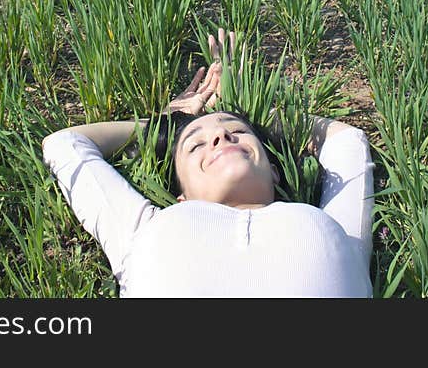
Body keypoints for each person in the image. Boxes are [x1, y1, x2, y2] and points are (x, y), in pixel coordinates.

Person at [42, 28, 375, 297]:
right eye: (195, 145)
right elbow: (64, 144)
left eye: (238, 131)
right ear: (182, 196)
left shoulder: (340, 232)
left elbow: (348, 142)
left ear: (275, 170)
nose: (220, 137)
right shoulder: (141, 229)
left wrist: (254, 107)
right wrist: (168, 123)